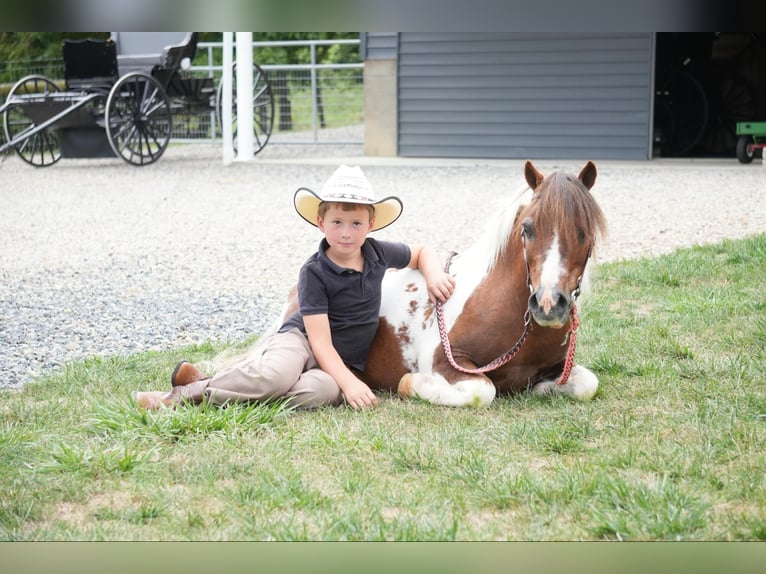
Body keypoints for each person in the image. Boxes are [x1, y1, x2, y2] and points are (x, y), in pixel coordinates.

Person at [133, 165, 455, 411]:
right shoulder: (314, 272)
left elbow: (421, 251)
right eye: (337, 223)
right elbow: (320, 342)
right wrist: (350, 386)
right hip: (302, 341)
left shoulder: (378, 253)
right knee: (276, 377)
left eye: (356, 224)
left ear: (370, 225)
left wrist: (434, 274)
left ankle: (216, 384)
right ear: (321, 223)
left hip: (343, 362)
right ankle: (179, 396)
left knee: (314, 395)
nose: (346, 233)